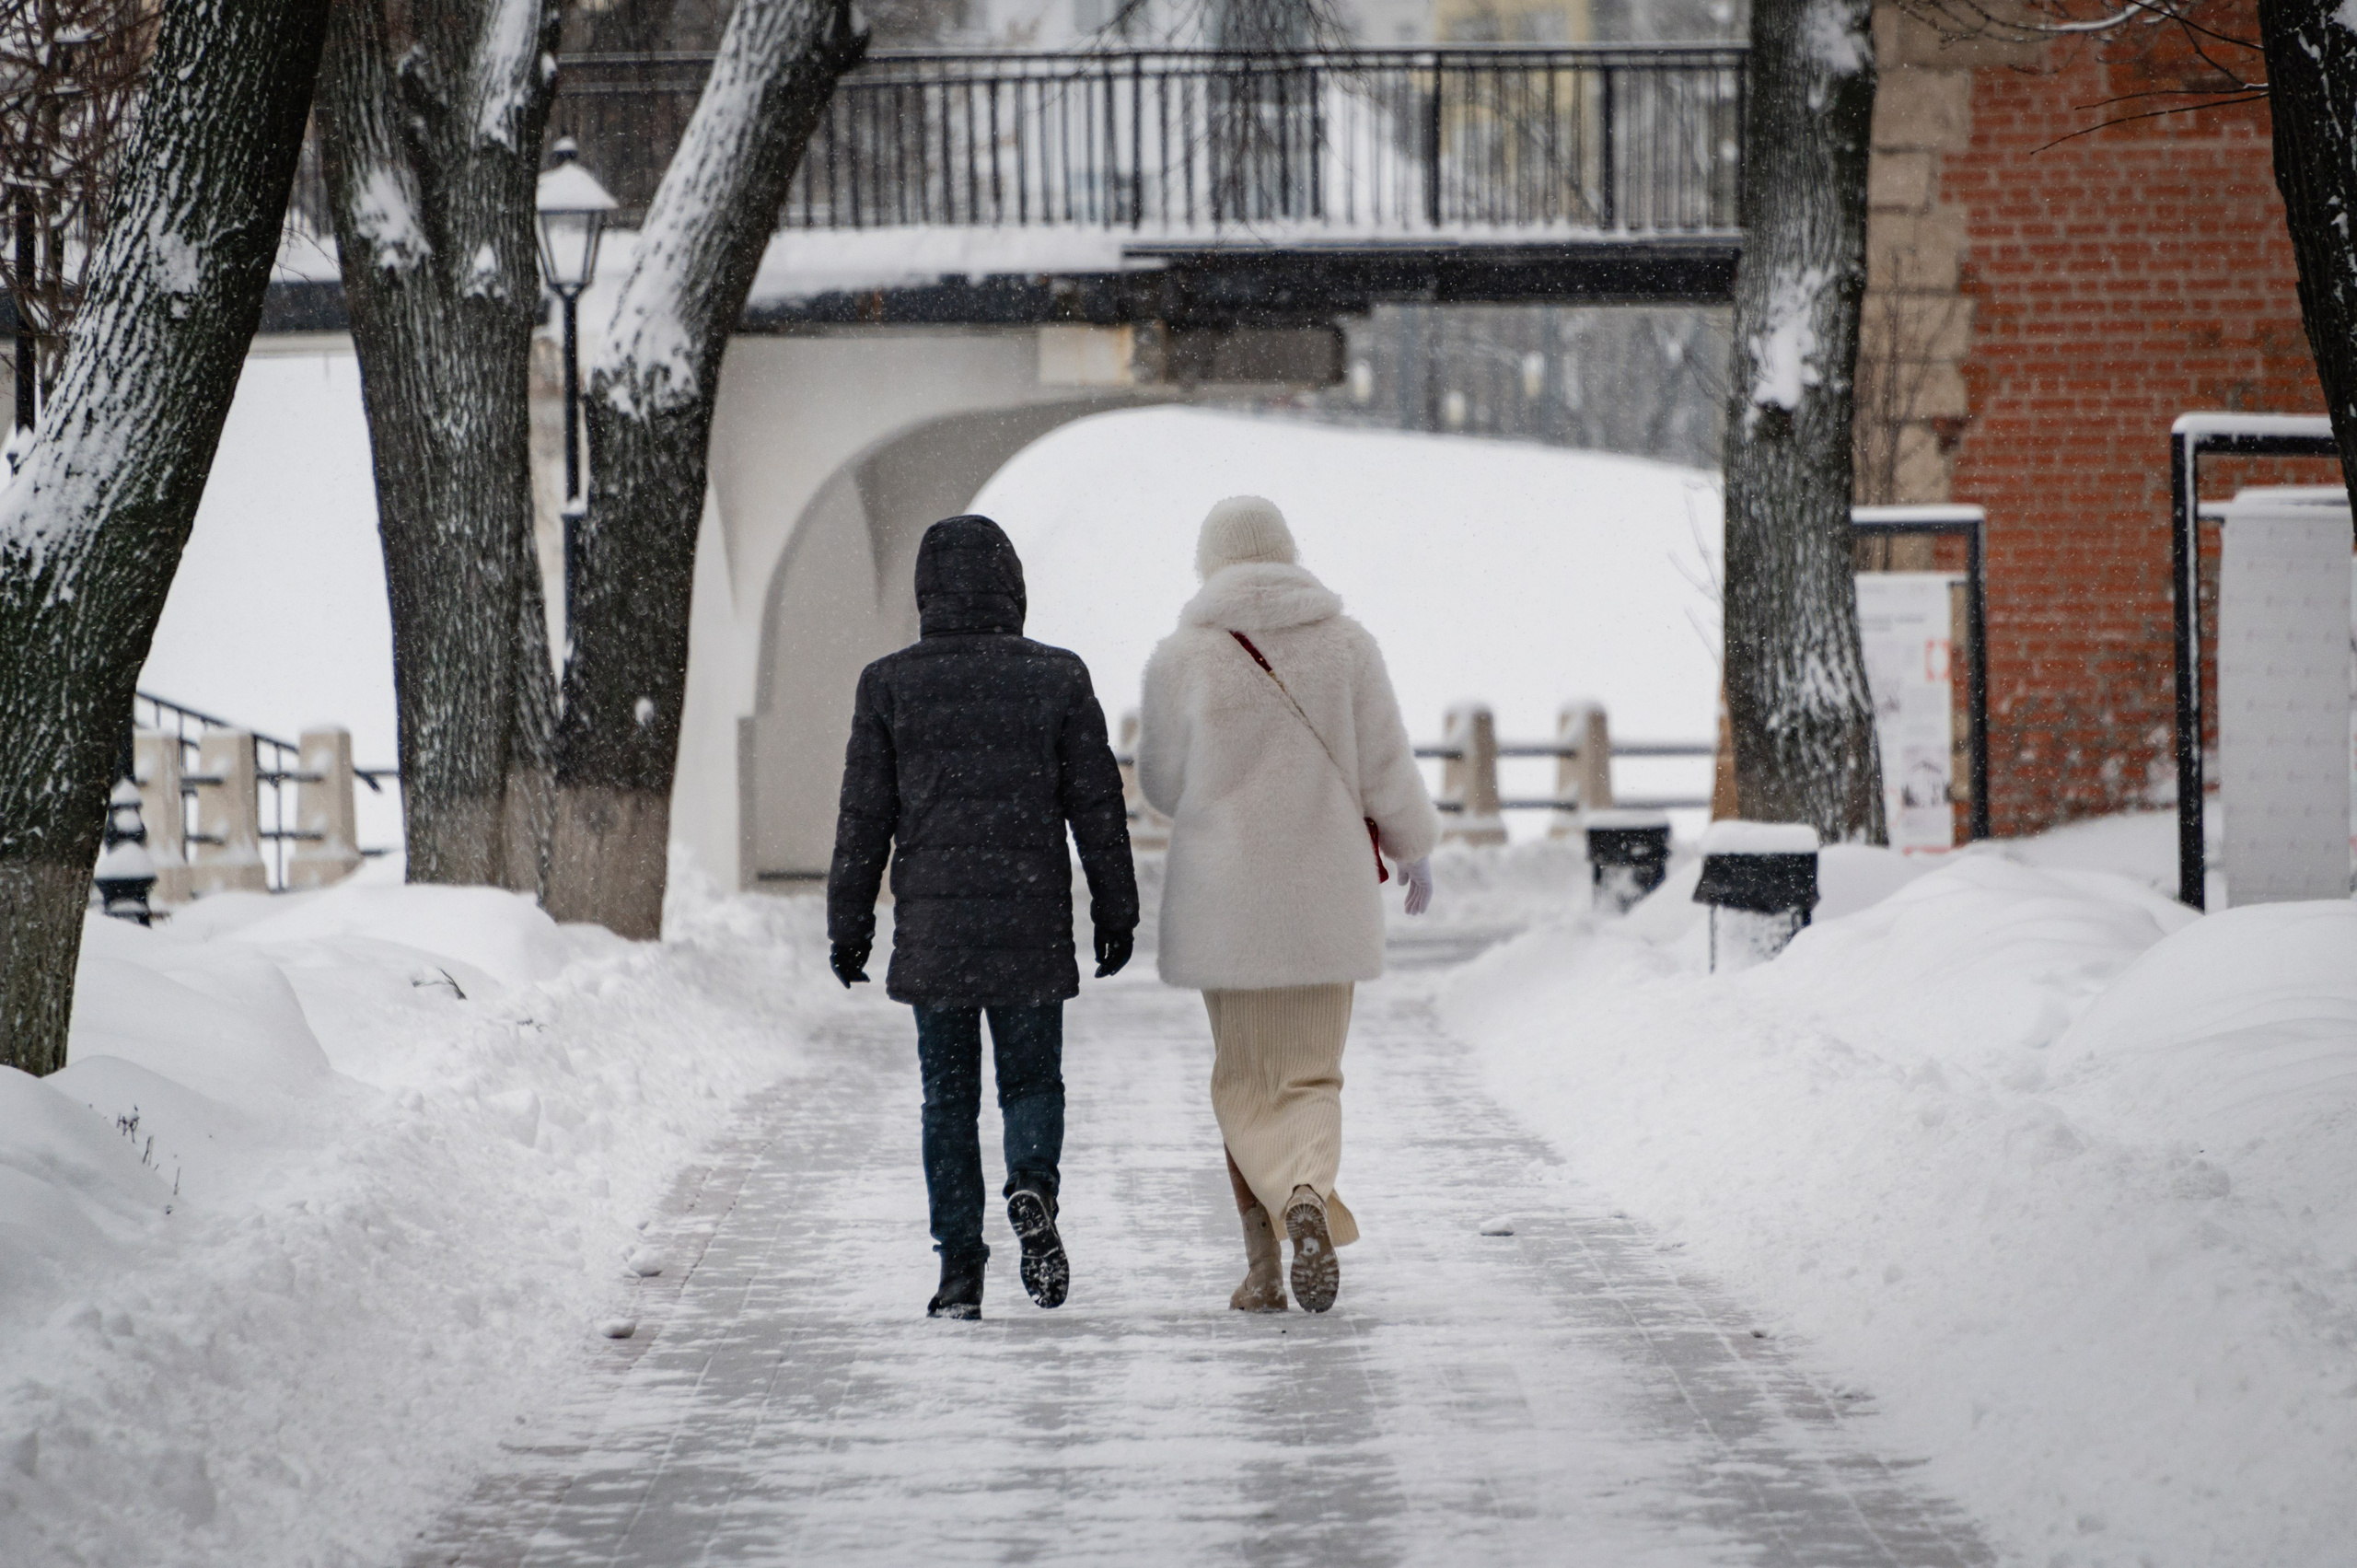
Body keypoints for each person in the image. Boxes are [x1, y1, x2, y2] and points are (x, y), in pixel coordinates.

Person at [827, 514, 1140, 1322]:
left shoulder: (890, 683)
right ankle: (1031, 1181)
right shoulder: (1058, 677)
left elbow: (864, 816)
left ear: (928, 590)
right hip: (1029, 919)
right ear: (1013, 584)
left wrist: (849, 922)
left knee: (947, 1098)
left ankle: (959, 1270)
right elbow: (1097, 807)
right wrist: (1116, 908)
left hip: (936, 931)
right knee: (1032, 1079)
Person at [1137, 496, 1437, 1314]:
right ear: (1288, 552)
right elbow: (1384, 767)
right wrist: (1412, 845)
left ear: (1210, 562)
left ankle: (1265, 1267)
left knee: (1242, 1079)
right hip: (1323, 897)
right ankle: (1306, 1187)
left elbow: (1160, 786)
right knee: (1309, 1072)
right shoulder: (1347, 646)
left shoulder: (1183, 657)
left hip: (1224, 901)